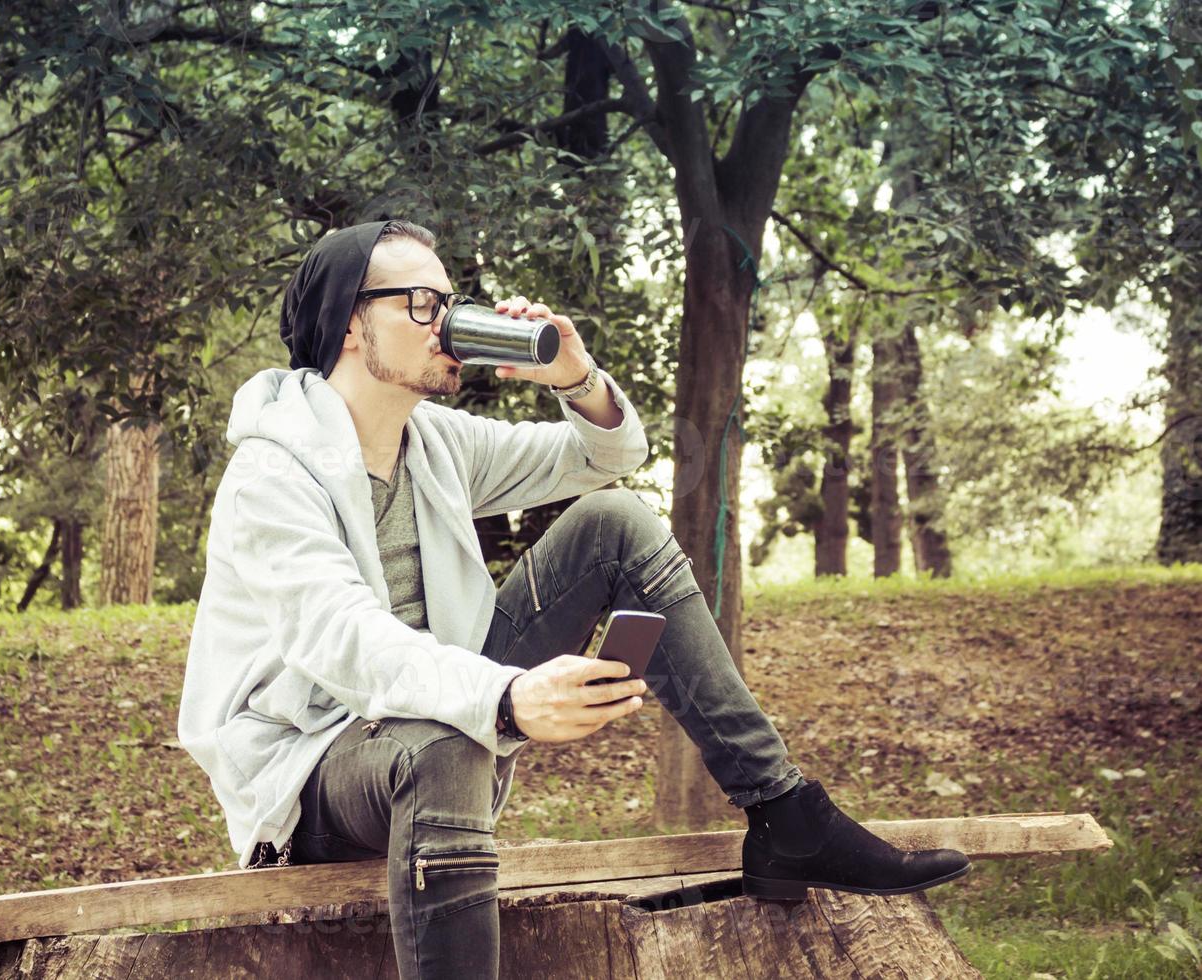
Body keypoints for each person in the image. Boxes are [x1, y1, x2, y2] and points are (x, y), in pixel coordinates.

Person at [177, 219, 969, 979]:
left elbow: (607, 457)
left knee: (614, 523)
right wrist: (510, 695)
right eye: (422, 303)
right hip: (314, 769)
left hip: (438, 723)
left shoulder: (435, 440)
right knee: (441, 743)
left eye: (450, 302)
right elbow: (341, 638)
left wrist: (574, 377)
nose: (447, 322)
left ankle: (784, 811)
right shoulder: (272, 475)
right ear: (352, 323)